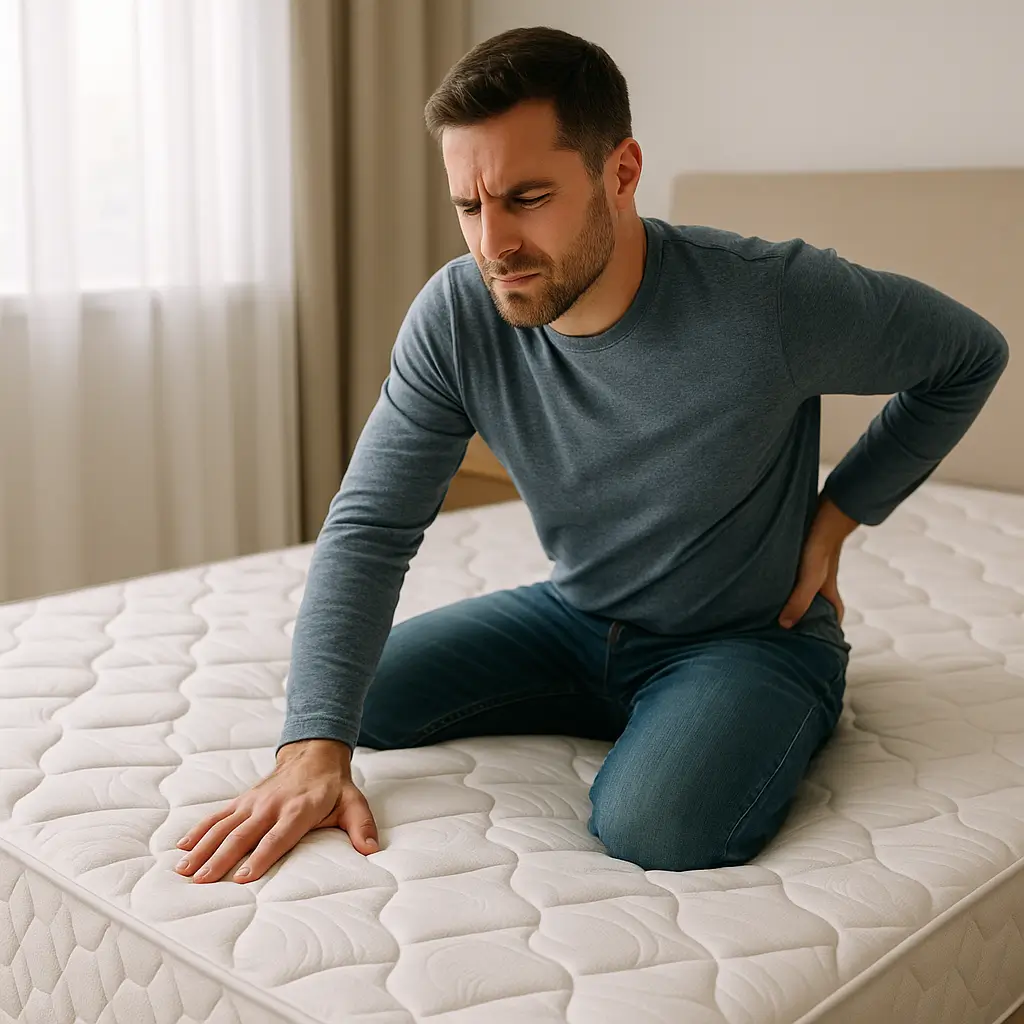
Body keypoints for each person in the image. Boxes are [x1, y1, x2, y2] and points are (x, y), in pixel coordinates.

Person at [173, 26, 1009, 885]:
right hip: (575, 618)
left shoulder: (772, 301)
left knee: (658, 825)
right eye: (470, 206)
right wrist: (312, 752)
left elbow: (968, 355)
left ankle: (730, 710)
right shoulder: (459, 314)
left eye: (528, 197)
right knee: (351, 701)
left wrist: (838, 516)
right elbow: (369, 526)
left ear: (621, 173)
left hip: (748, 638)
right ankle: (637, 707)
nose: (493, 244)